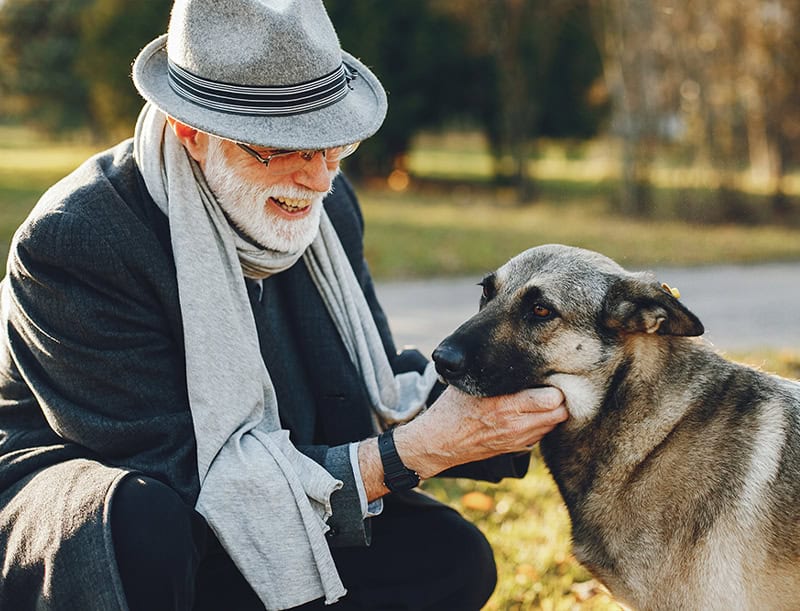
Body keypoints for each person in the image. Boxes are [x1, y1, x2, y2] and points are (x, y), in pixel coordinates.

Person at [0, 1, 568, 609]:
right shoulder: (78, 238)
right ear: (192, 132)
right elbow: (185, 477)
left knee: (449, 557)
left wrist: (526, 395)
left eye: (332, 145)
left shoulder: (328, 201)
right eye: (286, 147)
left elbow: (365, 384)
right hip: (109, 511)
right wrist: (421, 448)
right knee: (141, 525)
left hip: (270, 478)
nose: (319, 179)